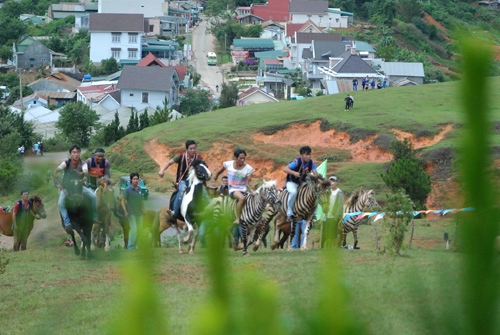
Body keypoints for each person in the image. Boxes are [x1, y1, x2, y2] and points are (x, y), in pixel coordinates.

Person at [55, 144, 99, 234]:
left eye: (78, 152)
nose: (76, 154)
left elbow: (86, 171)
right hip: (67, 188)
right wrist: (57, 172)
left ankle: (94, 217)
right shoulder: (66, 163)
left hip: (79, 187)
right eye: (74, 152)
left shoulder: (83, 163)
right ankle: (67, 223)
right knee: (60, 203)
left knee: (94, 197)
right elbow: (59, 168)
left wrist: (83, 172)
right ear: (70, 154)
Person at [158, 140, 203, 219]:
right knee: (182, 190)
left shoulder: (198, 157)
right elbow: (169, 163)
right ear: (187, 149)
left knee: (204, 191)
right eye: (191, 149)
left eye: (194, 148)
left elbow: (204, 167)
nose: (193, 150)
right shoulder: (180, 156)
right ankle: (174, 212)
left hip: (194, 181)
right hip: (183, 181)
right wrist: (162, 170)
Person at [214, 148, 254, 224]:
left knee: (256, 196)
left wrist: (254, 187)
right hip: (233, 188)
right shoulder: (229, 164)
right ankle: (238, 218)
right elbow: (220, 171)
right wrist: (216, 175)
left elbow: (249, 181)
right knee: (242, 199)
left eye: (244, 158)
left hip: (244, 188)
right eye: (240, 158)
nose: (242, 160)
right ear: (236, 158)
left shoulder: (248, 168)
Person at [283, 146, 318, 222]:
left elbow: (316, 174)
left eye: (309, 154)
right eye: (306, 155)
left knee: (315, 191)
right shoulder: (296, 161)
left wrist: (312, 176)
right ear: (301, 155)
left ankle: (314, 213)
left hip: (303, 182)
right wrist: (294, 172)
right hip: (292, 181)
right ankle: (289, 213)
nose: (308, 156)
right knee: (293, 192)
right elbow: (285, 169)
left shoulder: (311, 163)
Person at [121, 172, 145, 250]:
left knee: (140, 229)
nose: (136, 180)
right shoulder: (127, 190)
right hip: (131, 213)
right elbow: (123, 201)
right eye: (134, 179)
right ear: (131, 180)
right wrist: (125, 211)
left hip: (139, 213)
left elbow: (141, 201)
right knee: (134, 229)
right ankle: (130, 246)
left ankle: (136, 245)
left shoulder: (140, 189)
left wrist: (144, 210)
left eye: (137, 179)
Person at [321, 175, 344, 248]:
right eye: (330, 181)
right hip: (327, 215)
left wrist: (337, 216)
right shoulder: (327, 192)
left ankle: (334, 247)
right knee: (327, 232)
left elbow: (340, 205)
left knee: (333, 233)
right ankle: (327, 246)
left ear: (336, 182)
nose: (332, 183)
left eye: (333, 181)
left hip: (334, 216)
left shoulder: (339, 192)